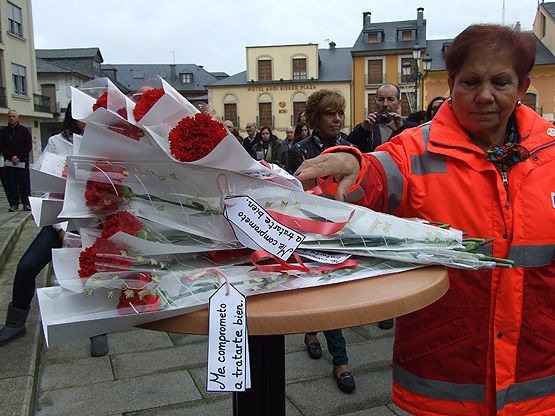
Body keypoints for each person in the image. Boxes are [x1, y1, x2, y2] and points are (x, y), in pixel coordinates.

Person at [295, 24, 555, 415]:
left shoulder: (551, 154)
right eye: (471, 82)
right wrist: (352, 164)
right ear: (451, 84)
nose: (485, 95)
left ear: (522, 87)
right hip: (446, 375)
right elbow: (376, 173)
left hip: (537, 377)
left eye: (500, 82)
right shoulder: (416, 148)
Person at [0, 104, 109, 357]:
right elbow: (46, 185)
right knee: (26, 267)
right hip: (59, 221)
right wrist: (60, 228)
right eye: (82, 116)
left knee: (93, 274)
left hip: (93, 224)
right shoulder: (57, 143)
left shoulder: (105, 144)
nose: (86, 121)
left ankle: (98, 328)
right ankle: (15, 322)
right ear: (73, 117)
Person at [290, 89, 356, 394]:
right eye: (331, 113)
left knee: (329, 292)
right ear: (316, 118)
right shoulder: (299, 150)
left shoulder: (350, 149)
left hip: (343, 231)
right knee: (325, 293)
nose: (337, 119)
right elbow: (292, 193)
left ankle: (312, 333)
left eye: (340, 113)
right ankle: (340, 361)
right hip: (312, 232)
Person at [346, 83, 418, 153]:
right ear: (375, 102)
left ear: (399, 103)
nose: (385, 104)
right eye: (381, 99)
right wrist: (363, 131)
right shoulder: (365, 127)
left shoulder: (412, 128)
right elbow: (348, 148)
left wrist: (401, 130)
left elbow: (415, 150)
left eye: (391, 99)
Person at [0, 110, 32, 212]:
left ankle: (26, 203)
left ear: (18, 117)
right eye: (9, 116)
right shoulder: (3, 132)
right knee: (11, 184)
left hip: (22, 162)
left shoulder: (24, 131)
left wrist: (19, 158)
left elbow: (28, 146)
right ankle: (14, 204)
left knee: (24, 184)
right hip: (9, 163)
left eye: (13, 116)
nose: (11, 118)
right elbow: (2, 146)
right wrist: (11, 157)